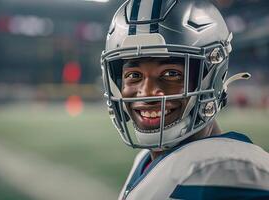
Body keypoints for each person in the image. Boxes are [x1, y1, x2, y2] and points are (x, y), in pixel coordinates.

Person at [100, 0, 269, 199]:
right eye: (134, 75)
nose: (147, 92)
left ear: (212, 77)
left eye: (171, 74)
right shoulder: (145, 160)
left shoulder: (230, 172)